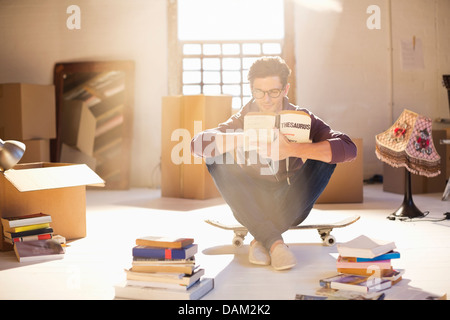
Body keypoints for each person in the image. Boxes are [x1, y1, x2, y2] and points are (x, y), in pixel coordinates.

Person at [190, 56, 357, 271]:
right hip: (249, 200)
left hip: (292, 199)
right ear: (251, 89)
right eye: (259, 92)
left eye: (274, 92)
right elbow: (196, 146)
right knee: (214, 153)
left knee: (327, 155)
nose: (266, 99)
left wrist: (292, 149)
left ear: (286, 89)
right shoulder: (241, 118)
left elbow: (349, 148)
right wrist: (244, 136)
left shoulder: (302, 117)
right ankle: (276, 244)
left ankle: (261, 239)